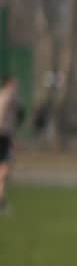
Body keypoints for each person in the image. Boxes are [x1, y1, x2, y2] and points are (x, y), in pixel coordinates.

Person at [0, 75, 21, 212]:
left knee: (4, 169)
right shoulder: (6, 97)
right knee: (4, 169)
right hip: (3, 136)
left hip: (5, 136)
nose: (16, 87)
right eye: (14, 84)